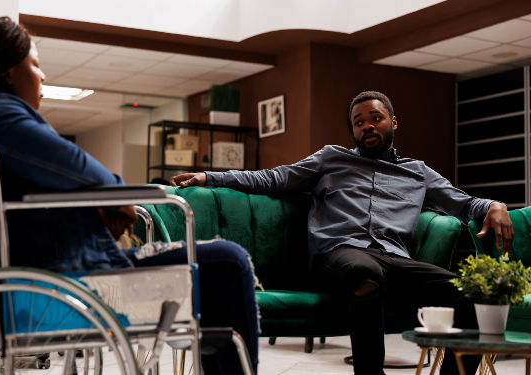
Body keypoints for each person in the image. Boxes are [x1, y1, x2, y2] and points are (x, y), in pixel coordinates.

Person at [0, 16, 258, 374]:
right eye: (36, 66)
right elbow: (72, 163)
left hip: (54, 281)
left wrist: (102, 200)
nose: (42, 77)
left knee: (213, 274)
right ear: (8, 72)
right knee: (229, 260)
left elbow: (63, 175)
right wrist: (118, 196)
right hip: (72, 290)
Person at [171, 91, 514, 375]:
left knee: (469, 293)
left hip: (393, 259)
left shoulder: (418, 173)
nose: (366, 126)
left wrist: (493, 205)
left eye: (375, 118)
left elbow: (463, 203)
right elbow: (273, 178)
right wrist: (210, 177)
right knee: (365, 272)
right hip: (337, 256)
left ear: (393, 122)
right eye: (358, 122)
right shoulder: (330, 159)